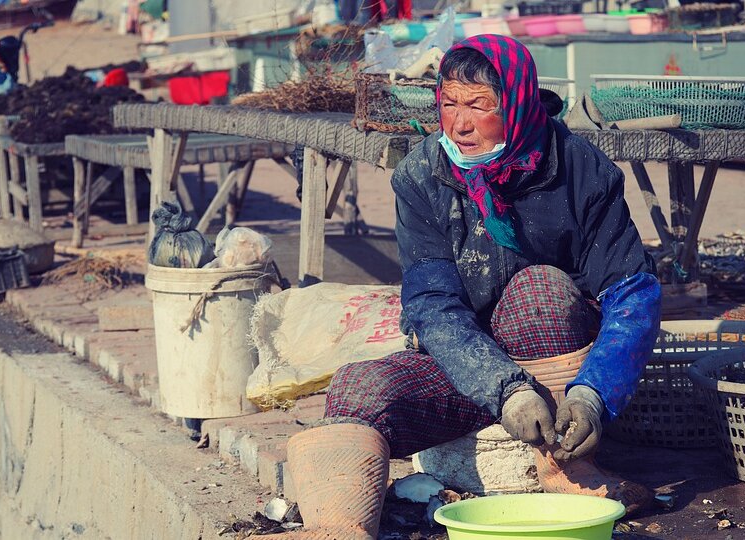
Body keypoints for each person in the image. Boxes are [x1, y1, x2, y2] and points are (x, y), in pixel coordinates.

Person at [265, 34, 662, 539]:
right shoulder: (421, 174)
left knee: (538, 292)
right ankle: (337, 525)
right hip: (469, 364)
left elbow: (633, 291)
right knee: (356, 387)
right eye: (449, 103)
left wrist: (592, 395)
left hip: (558, 369)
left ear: (516, 104)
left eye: (478, 105)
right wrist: (505, 389)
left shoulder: (580, 167)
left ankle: (565, 467)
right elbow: (433, 305)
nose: (459, 123)